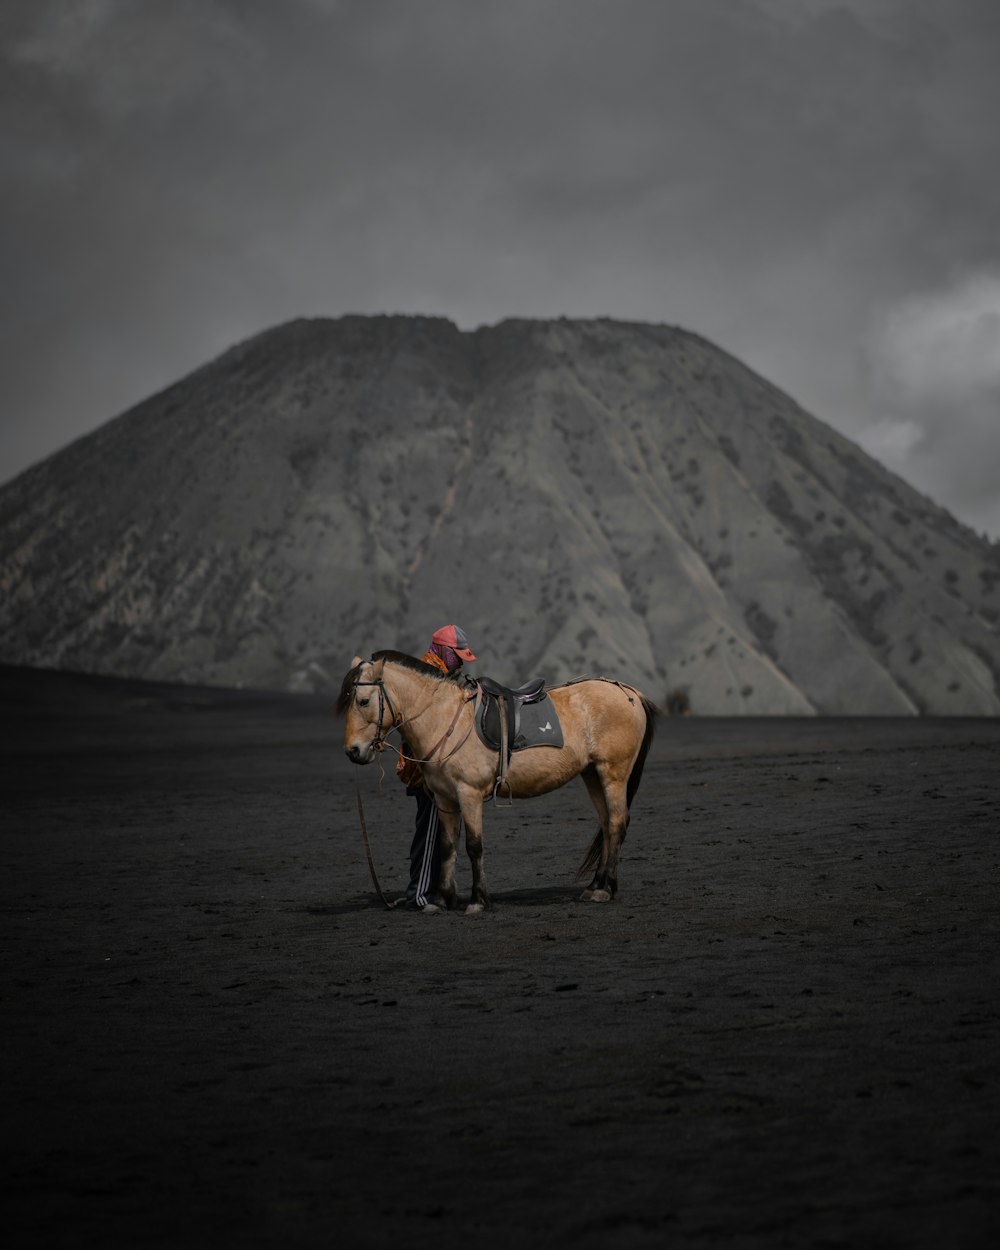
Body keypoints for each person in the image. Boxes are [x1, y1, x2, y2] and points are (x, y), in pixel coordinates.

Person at [396, 624, 477, 911]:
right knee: (430, 831)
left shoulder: (432, 675)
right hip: (426, 770)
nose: (459, 662)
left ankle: (430, 889)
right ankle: (418, 895)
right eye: (457, 656)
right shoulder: (428, 679)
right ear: (443, 650)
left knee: (434, 831)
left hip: (429, 766)